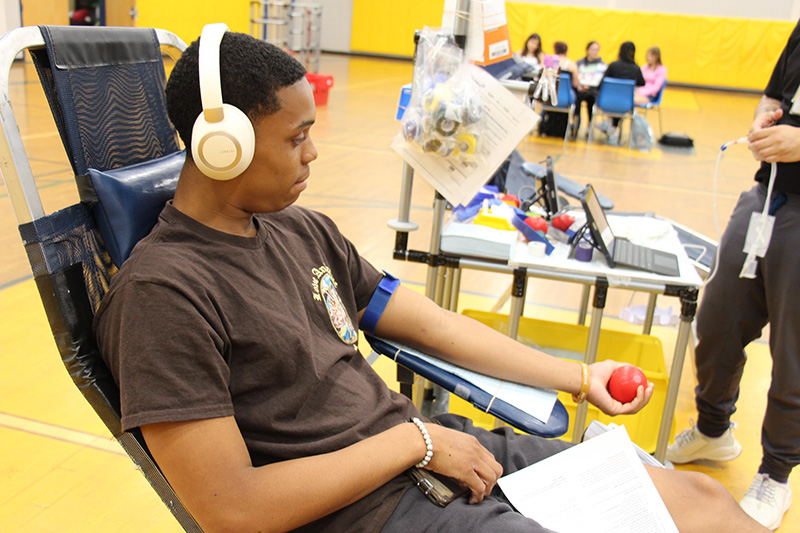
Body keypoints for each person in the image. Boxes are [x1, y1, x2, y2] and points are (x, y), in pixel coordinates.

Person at [94, 27, 770, 532]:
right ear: (223, 145)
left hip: (431, 453)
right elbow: (229, 508)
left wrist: (578, 374)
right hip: (378, 509)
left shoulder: (301, 230)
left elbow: (435, 324)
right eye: (296, 136)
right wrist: (415, 442)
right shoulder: (166, 292)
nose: (314, 151)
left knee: (702, 501)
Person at [666, 19, 800, 531]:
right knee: (718, 317)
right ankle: (712, 426)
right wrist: (763, 119)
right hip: (767, 195)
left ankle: (777, 472)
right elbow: (772, 93)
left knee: (791, 351)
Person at [595, 41, 645, 144]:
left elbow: (601, 84)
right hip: (626, 104)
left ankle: (610, 127)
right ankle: (611, 128)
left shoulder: (613, 65)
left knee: (614, 100)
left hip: (607, 102)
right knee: (620, 101)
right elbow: (642, 82)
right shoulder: (635, 68)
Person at [573, 40, 606, 139]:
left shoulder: (602, 65)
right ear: (587, 50)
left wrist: (590, 86)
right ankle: (575, 125)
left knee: (591, 99)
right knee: (577, 98)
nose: (595, 52)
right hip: (580, 88)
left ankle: (589, 126)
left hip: (593, 90)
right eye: (593, 49)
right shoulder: (579, 63)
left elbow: (600, 81)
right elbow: (575, 77)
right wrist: (580, 85)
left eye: (597, 50)